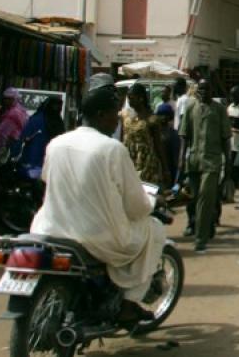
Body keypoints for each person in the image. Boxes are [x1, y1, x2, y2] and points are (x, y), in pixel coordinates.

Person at [31, 88, 166, 321]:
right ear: (101, 115)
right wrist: (151, 202)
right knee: (154, 229)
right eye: (115, 114)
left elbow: (46, 179)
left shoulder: (56, 143)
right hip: (97, 238)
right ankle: (129, 303)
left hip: (50, 230)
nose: (118, 121)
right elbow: (137, 207)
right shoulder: (112, 149)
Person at [178, 80, 231, 253]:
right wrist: (181, 159)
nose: (203, 92)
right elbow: (184, 135)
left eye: (207, 89)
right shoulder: (190, 108)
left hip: (212, 161)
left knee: (205, 197)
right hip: (194, 161)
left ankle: (200, 240)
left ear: (211, 90)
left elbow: (226, 138)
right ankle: (205, 226)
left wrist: (228, 162)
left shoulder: (219, 110)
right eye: (201, 89)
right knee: (195, 198)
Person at [122, 83, 169, 187]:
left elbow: (158, 145)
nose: (129, 101)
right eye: (128, 98)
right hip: (130, 162)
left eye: (132, 98)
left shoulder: (152, 119)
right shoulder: (127, 117)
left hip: (147, 165)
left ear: (141, 99)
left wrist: (165, 169)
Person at [17, 96, 65, 169]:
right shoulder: (58, 122)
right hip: (47, 163)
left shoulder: (36, 119)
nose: (56, 108)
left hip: (32, 161)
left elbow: (22, 137)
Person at [225, 86, 239, 203]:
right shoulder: (230, 107)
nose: (233, 97)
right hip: (232, 142)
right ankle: (232, 192)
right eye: (231, 95)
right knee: (232, 168)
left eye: (235, 95)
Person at [0, 87, 28, 158]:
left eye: (9, 99)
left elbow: (2, 133)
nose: (6, 101)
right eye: (5, 98)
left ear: (14, 99)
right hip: (17, 143)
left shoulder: (13, 113)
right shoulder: (20, 109)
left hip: (9, 145)